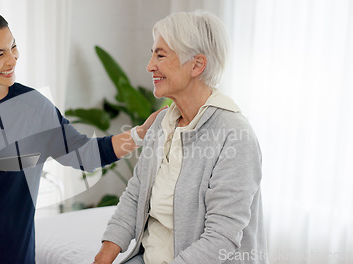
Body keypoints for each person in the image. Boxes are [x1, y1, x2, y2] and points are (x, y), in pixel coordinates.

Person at [0, 6, 163, 264]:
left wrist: (140, 134)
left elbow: (85, 154)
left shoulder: (33, 106)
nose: (12, 59)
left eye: (13, 47)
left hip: (11, 252)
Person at [94, 11, 267, 264]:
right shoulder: (161, 124)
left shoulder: (235, 135)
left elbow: (221, 238)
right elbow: (135, 196)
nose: (150, 65)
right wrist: (101, 260)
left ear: (197, 65)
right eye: (153, 53)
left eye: (160, 55)